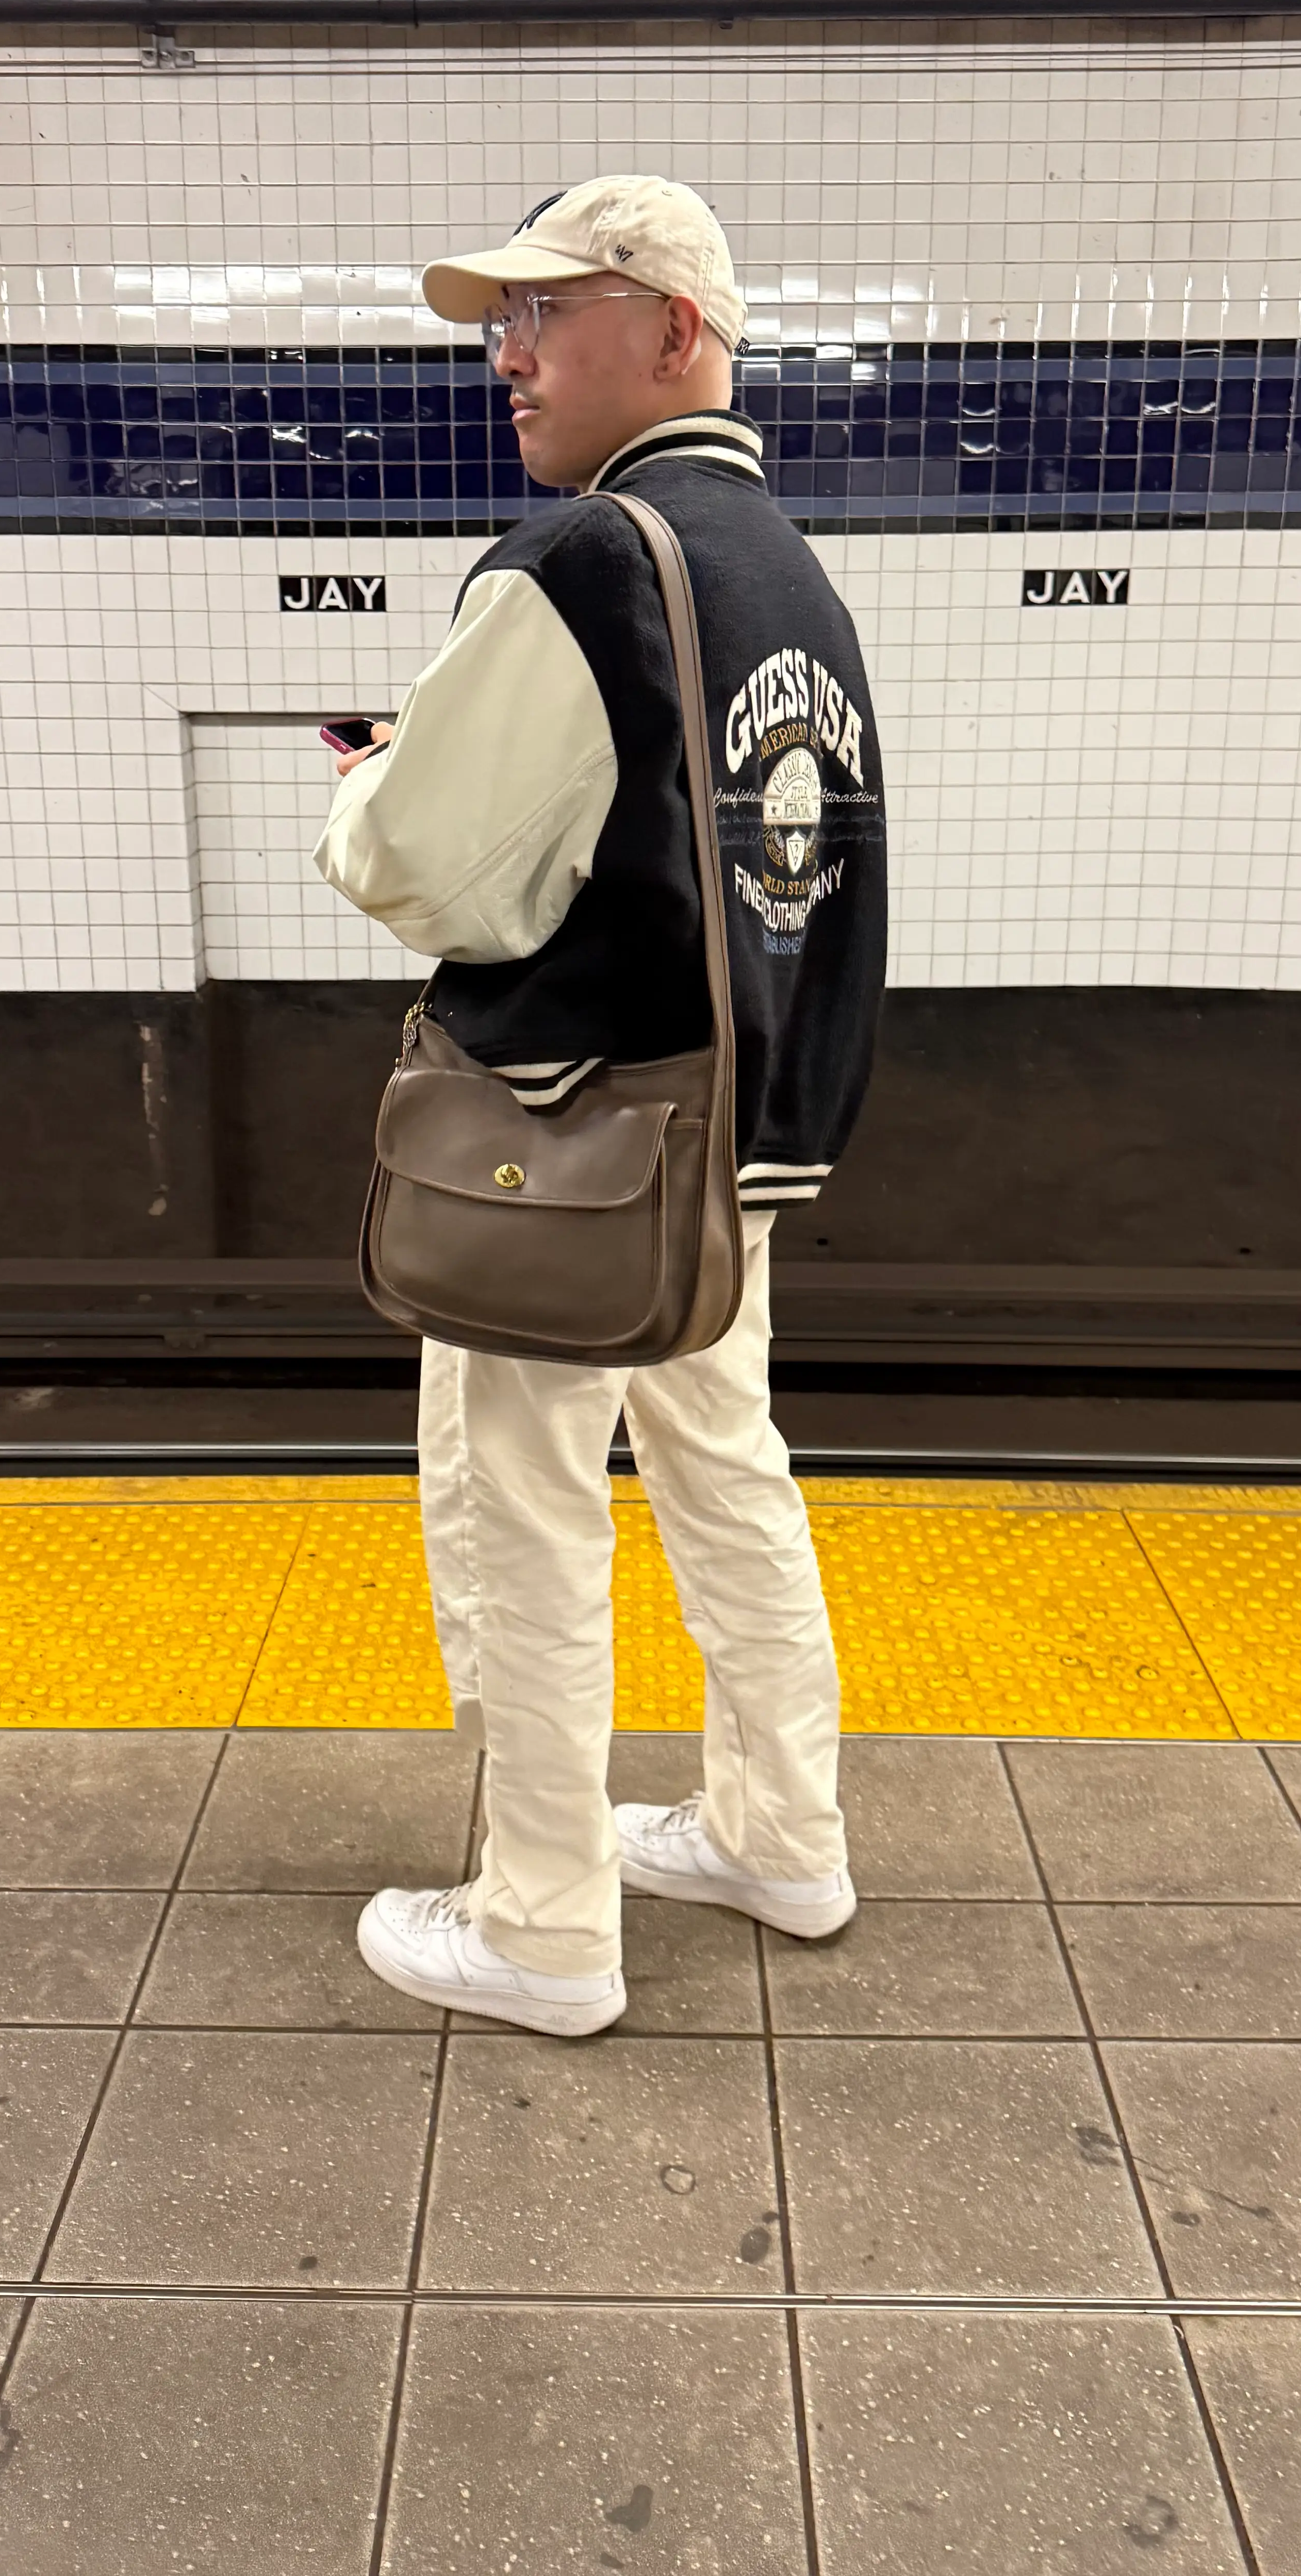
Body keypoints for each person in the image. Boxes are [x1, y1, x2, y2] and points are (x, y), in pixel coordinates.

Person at [314, 174, 887, 2038]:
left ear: (675, 329)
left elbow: (425, 869)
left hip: (567, 1138)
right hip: (737, 1136)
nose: (510, 355)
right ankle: (780, 1838)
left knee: (523, 1513)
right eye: (502, 321)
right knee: (727, 1472)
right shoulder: (784, 570)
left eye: (549, 312)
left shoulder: (578, 559)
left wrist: (377, 783)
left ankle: (542, 1927)